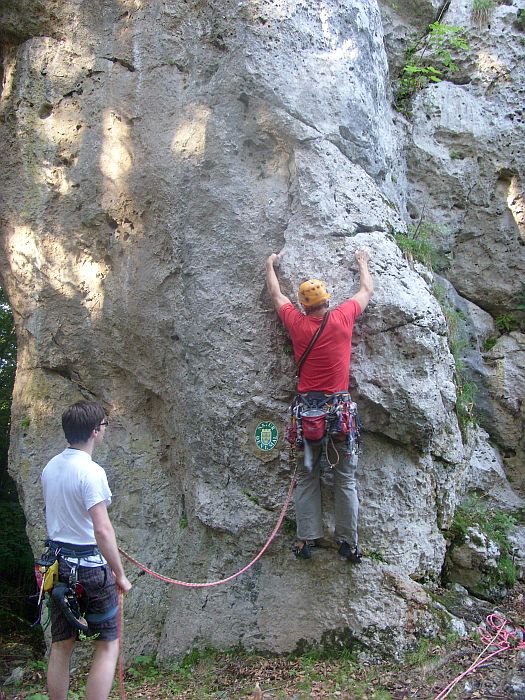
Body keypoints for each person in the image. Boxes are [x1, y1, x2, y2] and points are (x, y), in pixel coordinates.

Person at [266, 249, 373, 562]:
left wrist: (269, 265)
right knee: (345, 479)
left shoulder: (297, 324)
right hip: (339, 413)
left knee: (307, 477)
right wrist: (363, 263)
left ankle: (305, 540)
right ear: (328, 300)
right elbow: (366, 290)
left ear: (303, 305)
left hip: (308, 416)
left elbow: (276, 294)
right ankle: (348, 543)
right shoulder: (343, 317)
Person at [41, 400, 132, 700]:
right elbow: (102, 529)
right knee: (107, 644)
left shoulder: (50, 468)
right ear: (94, 431)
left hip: (58, 569)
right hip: (91, 570)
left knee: (61, 645)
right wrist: (120, 574)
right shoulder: (91, 472)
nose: (104, 430)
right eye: (104, 425)